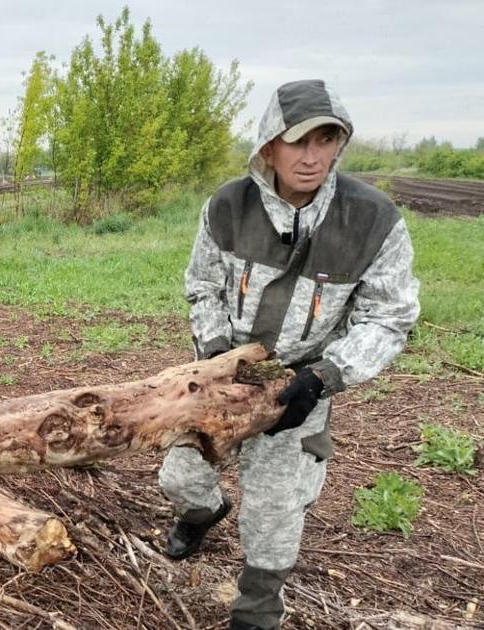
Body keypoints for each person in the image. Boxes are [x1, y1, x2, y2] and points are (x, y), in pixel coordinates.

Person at [158, 79, 420, 630]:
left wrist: (324, 377)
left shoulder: (373, 221)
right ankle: (204, 511)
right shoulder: (228, 206)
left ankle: (257, 608)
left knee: (274, 510)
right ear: (269, 146)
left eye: (327, 140)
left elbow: (390, 316)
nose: (313, 156)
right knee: (179, 475)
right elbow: (201, 286)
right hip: (224, 375)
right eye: (299, 141)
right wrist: (214, 354)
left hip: (303, 387)